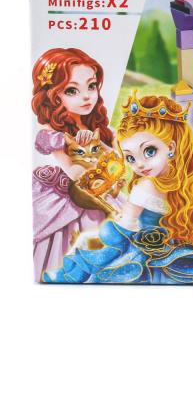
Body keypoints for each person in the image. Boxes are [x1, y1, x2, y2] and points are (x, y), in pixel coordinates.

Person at [44, 94, 193, 285]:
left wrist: (114, 226)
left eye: (149, 151)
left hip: (143, 254)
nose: (139, 165)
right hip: (177, 246)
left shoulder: (145, 185)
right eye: (131, 158)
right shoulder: (177, 182)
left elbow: (125, 227)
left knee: (95, 252)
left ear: (171, 147)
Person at [31, 48, 115, 281]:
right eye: (72, 90)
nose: (86, 96)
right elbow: (75, 172)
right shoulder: (52, 133)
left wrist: (99, 145)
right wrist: (85, 149)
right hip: (70, 197)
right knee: (76, 240)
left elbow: (116, 159)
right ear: (54, 96)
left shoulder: (94, 126)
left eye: (92, 86)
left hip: (99, 188)